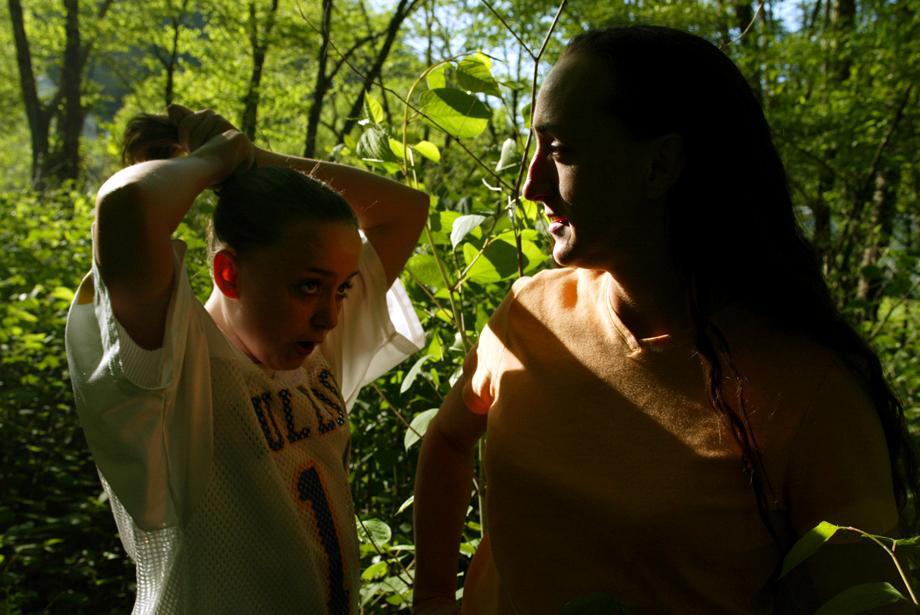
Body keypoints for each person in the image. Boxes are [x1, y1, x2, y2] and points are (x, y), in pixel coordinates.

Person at [412, 25, 919, 614]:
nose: (530, 185)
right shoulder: (530, 315)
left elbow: (864, 599)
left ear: (660, 165)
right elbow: (447, 441)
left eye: (561, 152)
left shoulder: (811, 394)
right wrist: (430, 602)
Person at [65, 104, 428, 614]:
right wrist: (220, 158)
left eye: (342, 289)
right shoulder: (175, 370)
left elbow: (407, 209)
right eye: (308, 286)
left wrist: (259, 159)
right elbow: (127, 202)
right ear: (230, 275)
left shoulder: (313, 354)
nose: (329, 316)